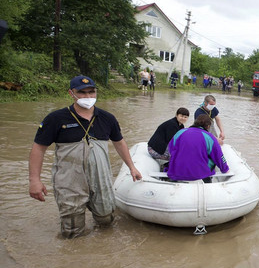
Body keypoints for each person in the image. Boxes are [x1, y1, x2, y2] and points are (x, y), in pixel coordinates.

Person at [28, 75, 143, 238]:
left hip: (100, 177)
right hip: (69, 180)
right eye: (82, 93)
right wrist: (34, 180)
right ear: (71, 93)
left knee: (106, 220)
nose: (88, 97)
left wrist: (132, 167)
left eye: (91, 92)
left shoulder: (107, 118)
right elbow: (38, 149)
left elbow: (119, 142)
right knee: (73, 230)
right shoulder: (55, 119)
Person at [166, 115, 229, 183]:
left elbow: (171, 149)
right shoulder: (209, 137)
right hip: (200, 175)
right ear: (208, 126)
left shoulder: (180, 132)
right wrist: (225, 169)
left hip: (176, 172)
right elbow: (218, 155)